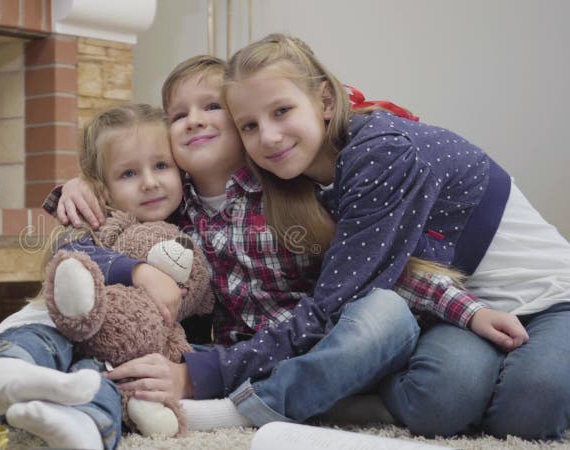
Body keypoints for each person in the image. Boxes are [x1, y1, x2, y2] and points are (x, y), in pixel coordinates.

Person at [48, 55, 526, 431]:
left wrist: (466, 310)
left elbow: (385, 271)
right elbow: (83, 245)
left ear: (244, 127)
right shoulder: (174, 206)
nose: (194, 120)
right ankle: (335, 403)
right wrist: (83, 185)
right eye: (179, 115)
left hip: (329, 344)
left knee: (387, 315)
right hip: (249, 360)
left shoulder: (292, 192)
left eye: (212, 107)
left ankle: (258, 410)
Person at [217, 33, 570, 440]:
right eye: (249, 126)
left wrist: (215, 372)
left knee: (530, 411)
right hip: (459, 311)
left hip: (553, 296)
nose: (269, 136)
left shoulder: (380, 151)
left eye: (281, 111)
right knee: (439, 402)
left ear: (326, 102)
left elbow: (333, 302)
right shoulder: (311, 188)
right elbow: (397, 275)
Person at [0, 104, 191, 450]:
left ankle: (84, 427)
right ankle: (7, 370)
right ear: (101, 189)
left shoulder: (187, 224)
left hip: (106, 351)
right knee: (45, 340)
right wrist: (137, 270)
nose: (150, 183)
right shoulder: (99, 219)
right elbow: (69, 251)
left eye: (162, 166)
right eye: (129, 174)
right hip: (48, 329)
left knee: (106, 379)